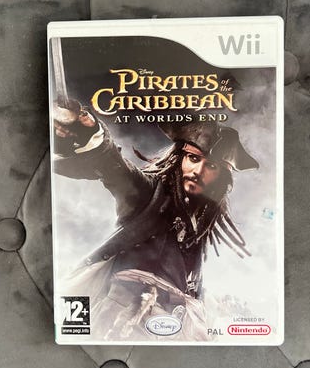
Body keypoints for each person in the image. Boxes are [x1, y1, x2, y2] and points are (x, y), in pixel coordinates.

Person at [53, 101, 258, 341]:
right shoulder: (149, 194)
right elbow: (116, 168)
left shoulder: (200, 225)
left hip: (174, 323)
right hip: (126, 309)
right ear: (179, 158)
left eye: (211, 165)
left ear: (221, 177)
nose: (198, 171)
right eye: (193, 158)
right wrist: (88, 129)